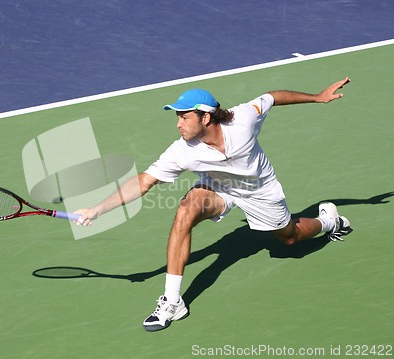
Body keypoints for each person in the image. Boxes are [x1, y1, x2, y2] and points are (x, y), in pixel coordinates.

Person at [74, 77, 352, 332]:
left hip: (259, 191)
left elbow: (272, 96)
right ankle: (172, 301)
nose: (178, 123)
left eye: (184, 116)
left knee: (290, 239)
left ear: (205, 117)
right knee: (186, 210)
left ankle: (329, 221)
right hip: (218, 187)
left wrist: (317, 97)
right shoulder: (181, 151)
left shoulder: (242, 120)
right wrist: (97, 209)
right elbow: (144, 181)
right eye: (177, 117)